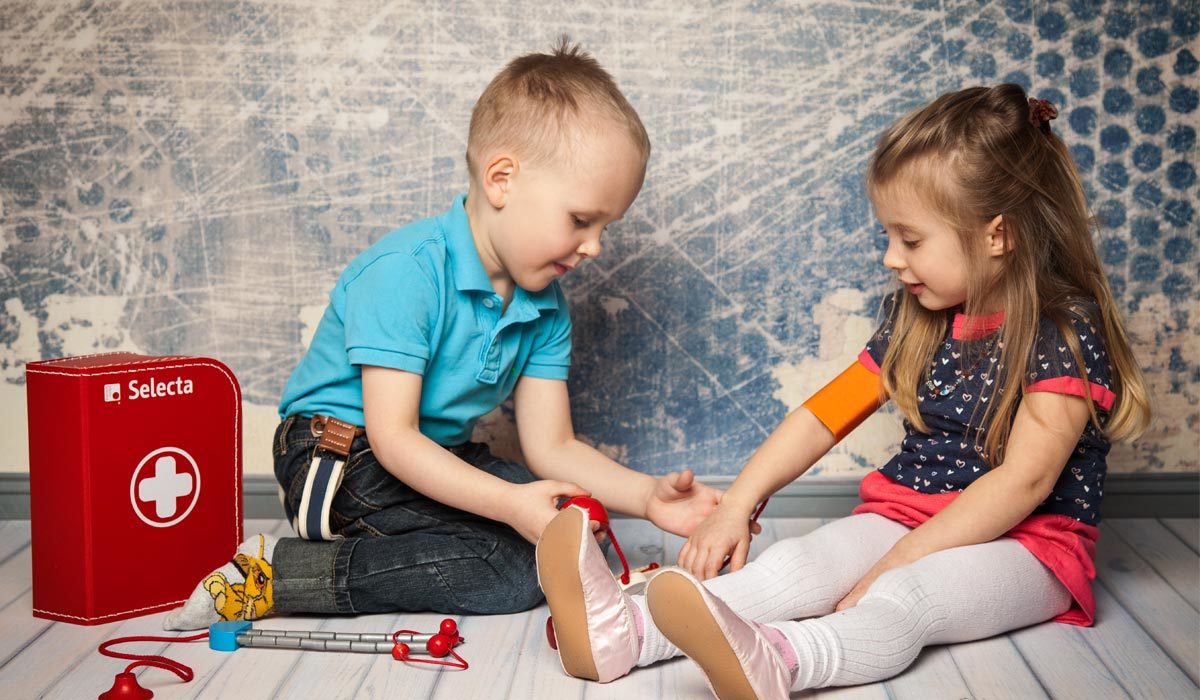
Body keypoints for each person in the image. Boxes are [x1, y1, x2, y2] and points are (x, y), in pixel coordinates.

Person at [535, 83, 1151, 697]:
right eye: (888, 236)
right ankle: (626, 630)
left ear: (997, 234)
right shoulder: (919, 317)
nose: (890, 258)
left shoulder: (1064, 332)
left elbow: (1025, 482)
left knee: (905, 597)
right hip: (906, 513)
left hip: (1030, 547)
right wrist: (735, 505)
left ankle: (784, 661)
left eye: (910, 240)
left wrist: (894, 564)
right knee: (801, 564)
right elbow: (821, 418)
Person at [164, 39, 721, 631]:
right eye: (581, 220)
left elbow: (552, 447)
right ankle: (279, 574)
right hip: (340, 457)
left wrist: (647, 499)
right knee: (507, 568)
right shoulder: (408, 271)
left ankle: (417, 548)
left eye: (606, 226)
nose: (594, 247)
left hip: (431, 454)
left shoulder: (546, 307)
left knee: (571, 522)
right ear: (502, 179)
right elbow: (393, 439)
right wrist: (506, 504)